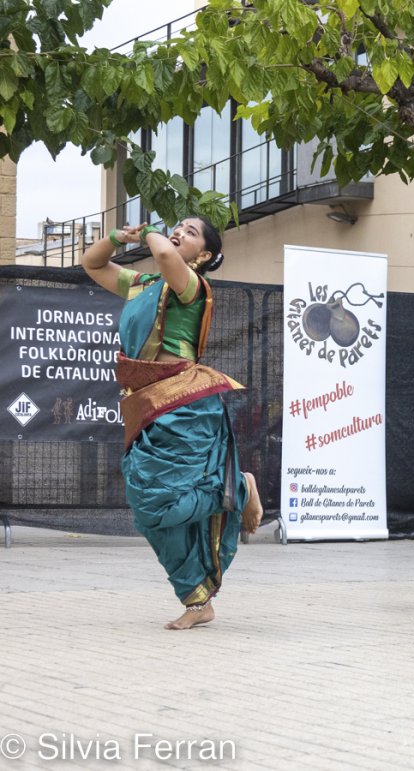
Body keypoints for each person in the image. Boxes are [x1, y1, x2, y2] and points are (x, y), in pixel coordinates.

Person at [82, 218, 263, 630]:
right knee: (148, 508)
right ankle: (197, 599)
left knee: (161, 504)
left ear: (203, 256)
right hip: (145, 405)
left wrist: (151, 233)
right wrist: (115, 238)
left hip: (185, 406)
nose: (179, 231)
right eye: (178, 225)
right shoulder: (144, 285)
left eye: (191, 232)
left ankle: (239, 485)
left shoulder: (191, 285)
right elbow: (92, 265)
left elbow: (165, 253)